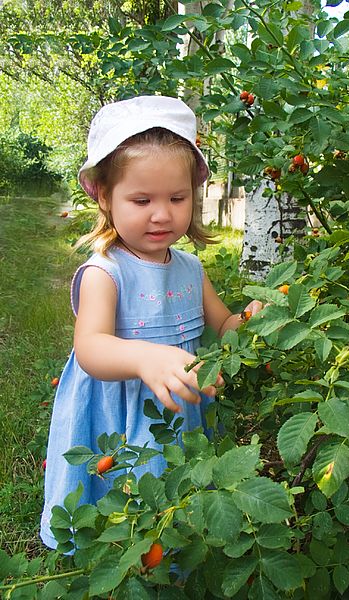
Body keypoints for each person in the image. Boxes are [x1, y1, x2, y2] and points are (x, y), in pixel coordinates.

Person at [40, 95, 263, 549]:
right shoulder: (106, 272)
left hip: (178, 407)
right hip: (118, 416)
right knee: (122, 514)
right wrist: (144, 357)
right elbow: (91, 348)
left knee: (178, 504)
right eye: (141, 199)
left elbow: (224, 328)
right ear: (104, 195)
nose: (162, 213)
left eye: (177, 198)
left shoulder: (190, 269)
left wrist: (251, 321)